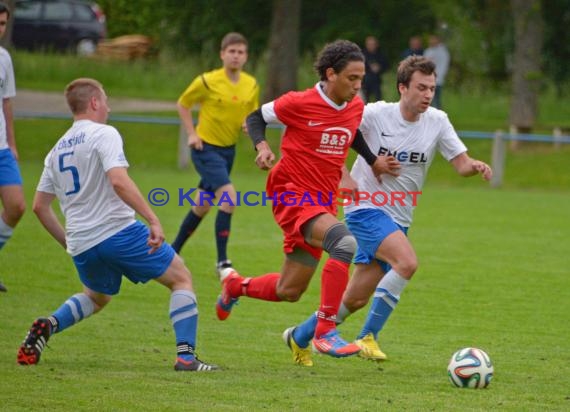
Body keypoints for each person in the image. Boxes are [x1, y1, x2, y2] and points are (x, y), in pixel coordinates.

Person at [284, 55, 492, 366]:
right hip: (365, 207)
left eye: (432, 89)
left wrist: (474, 166)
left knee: (354, 299)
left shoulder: (438, 121)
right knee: (407, 263)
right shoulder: (374, 114)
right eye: (421, 88)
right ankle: (368, 336)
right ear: (402, 87)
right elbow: (331, 136)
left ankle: (299, 336)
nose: (427, 95)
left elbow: (460, 164)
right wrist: (344, 175)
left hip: (399, 216)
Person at [17, 78, 218, 372]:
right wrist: (152, 218)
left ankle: (49, 324)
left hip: (83, 242)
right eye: (106, 100)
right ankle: (186, 357)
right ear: (95, 103)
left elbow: (39, 206)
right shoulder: (104, 133)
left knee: (97, 297)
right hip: (118, 231)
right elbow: (118, 180)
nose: (109, 107)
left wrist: (71, 243)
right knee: (181, 277)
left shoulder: (56, 150)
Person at [215, 40, 397, 362]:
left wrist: (371, 161)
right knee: (344, 244)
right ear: (330, 74)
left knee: (290, 290)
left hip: (323, 200)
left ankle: (235, 287)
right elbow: (256, 117)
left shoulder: (353, 106)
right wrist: (262, 147)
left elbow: (350, 131)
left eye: (361, 78)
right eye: (352, 78)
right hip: (291, 193)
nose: (358, 86)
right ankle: (325, 331)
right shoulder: (298, 102)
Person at [171, 32, 259, 277]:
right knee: (229, 198)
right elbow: (183, 104)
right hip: (204, 148)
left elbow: (251, 116)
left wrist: (248, 127)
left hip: (227, 151)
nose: (236, 56)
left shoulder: (250, 84)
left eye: (240, 52)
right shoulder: (207, 81)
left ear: (246, 57)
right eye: (231, 51)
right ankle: (222, 263)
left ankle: (173, 250)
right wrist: (192, 133)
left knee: (202, 205)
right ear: (222, 54)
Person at [0, 2, 25, 293]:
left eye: (3, 24)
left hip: (3, 149)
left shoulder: (4, 58)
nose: (0, 30)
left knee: (16, 206)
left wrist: (13, 144)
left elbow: (6, 102)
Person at [424, 34, 450, 109]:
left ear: (438, 40)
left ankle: (438, 118)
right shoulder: (428, 51)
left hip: (437, 80)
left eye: (433, 39)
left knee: (436, 100)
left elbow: (444, 66)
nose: (431, 41)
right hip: (426, 79)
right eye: (430, 39)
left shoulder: (443, 52)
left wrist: (439, 76)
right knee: (427, 100)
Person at [361, 35, 389, 102]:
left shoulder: (380, 54)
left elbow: (386, 66)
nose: (371, 46)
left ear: (376, 45)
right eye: (369, 44)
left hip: (376, 81)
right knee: (365, 100)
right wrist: (369, 67)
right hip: (365, 81)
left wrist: (379, 67)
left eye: (373, 44)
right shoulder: (362, 55)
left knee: (378, 99)